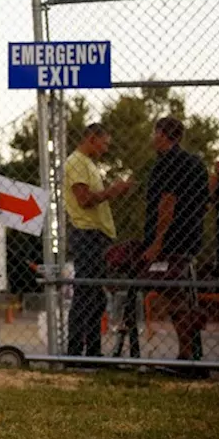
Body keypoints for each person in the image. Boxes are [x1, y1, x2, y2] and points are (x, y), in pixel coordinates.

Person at [142, 117, 210, 368]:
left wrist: (157, 242)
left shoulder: (166, 164)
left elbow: (167, 203)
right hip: (191, 237)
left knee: (175, 298)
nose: (153, 138)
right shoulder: (196, 163)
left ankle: (186, 355)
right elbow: (205, 201)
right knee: (183, 296)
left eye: (155, 133)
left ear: (162, 134)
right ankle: (192, 353)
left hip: (171, 241)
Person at [63, 123, 133, 358]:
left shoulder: (88, 164)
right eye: (104, 143)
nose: (105, 149)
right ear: (92, 138)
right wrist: (113, 191)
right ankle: (75, 352)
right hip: (87, 233)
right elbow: (83, 200)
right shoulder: (77, 163)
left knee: (94, 296)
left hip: (96, 234)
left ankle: (91, 351)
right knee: (86, 293)